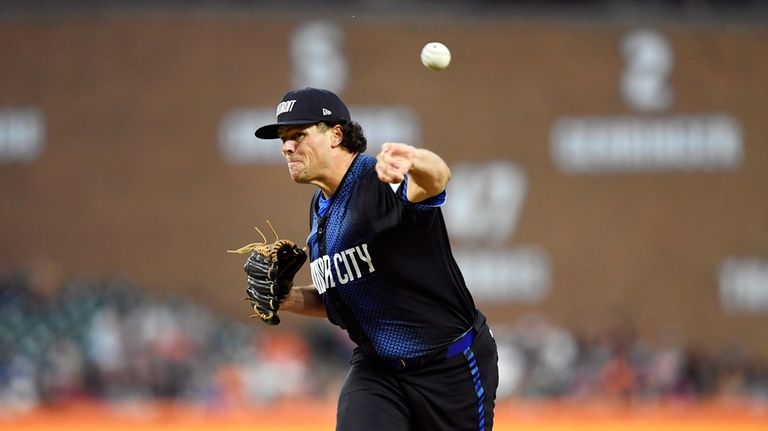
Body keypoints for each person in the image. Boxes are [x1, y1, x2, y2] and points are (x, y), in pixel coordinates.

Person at [254, 87, 499, 430]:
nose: (286, 146)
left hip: (450, 369)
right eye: (283, 138)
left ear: (336, 134)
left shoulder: (378, 181)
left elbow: (437, 178)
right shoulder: (321, 205)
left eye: (298, 135)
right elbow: (344, 298)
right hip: (378, 371)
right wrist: (287, 298)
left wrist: (415, 161)